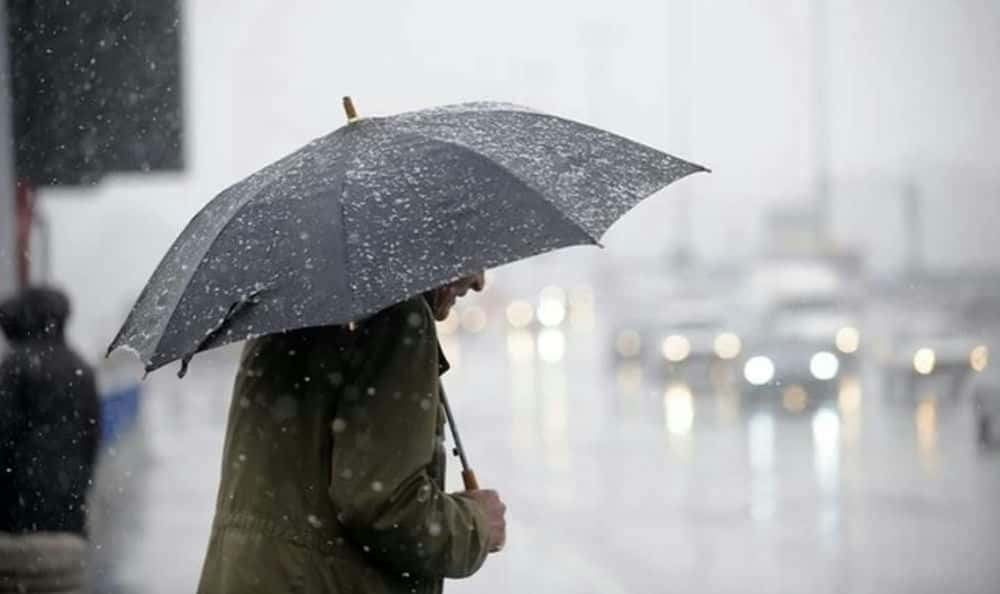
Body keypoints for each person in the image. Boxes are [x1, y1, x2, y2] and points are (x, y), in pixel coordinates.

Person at [198, 272, 506, 594]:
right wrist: (476, 525)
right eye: (474, 261)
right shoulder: (396, 314)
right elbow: (384, 505)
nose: (479, 283)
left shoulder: (286, 309)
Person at [0, 286, 101, 593]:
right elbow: (91, 444)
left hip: (15, 530)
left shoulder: (13, 368)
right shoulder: (82, 369)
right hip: (69, 528)